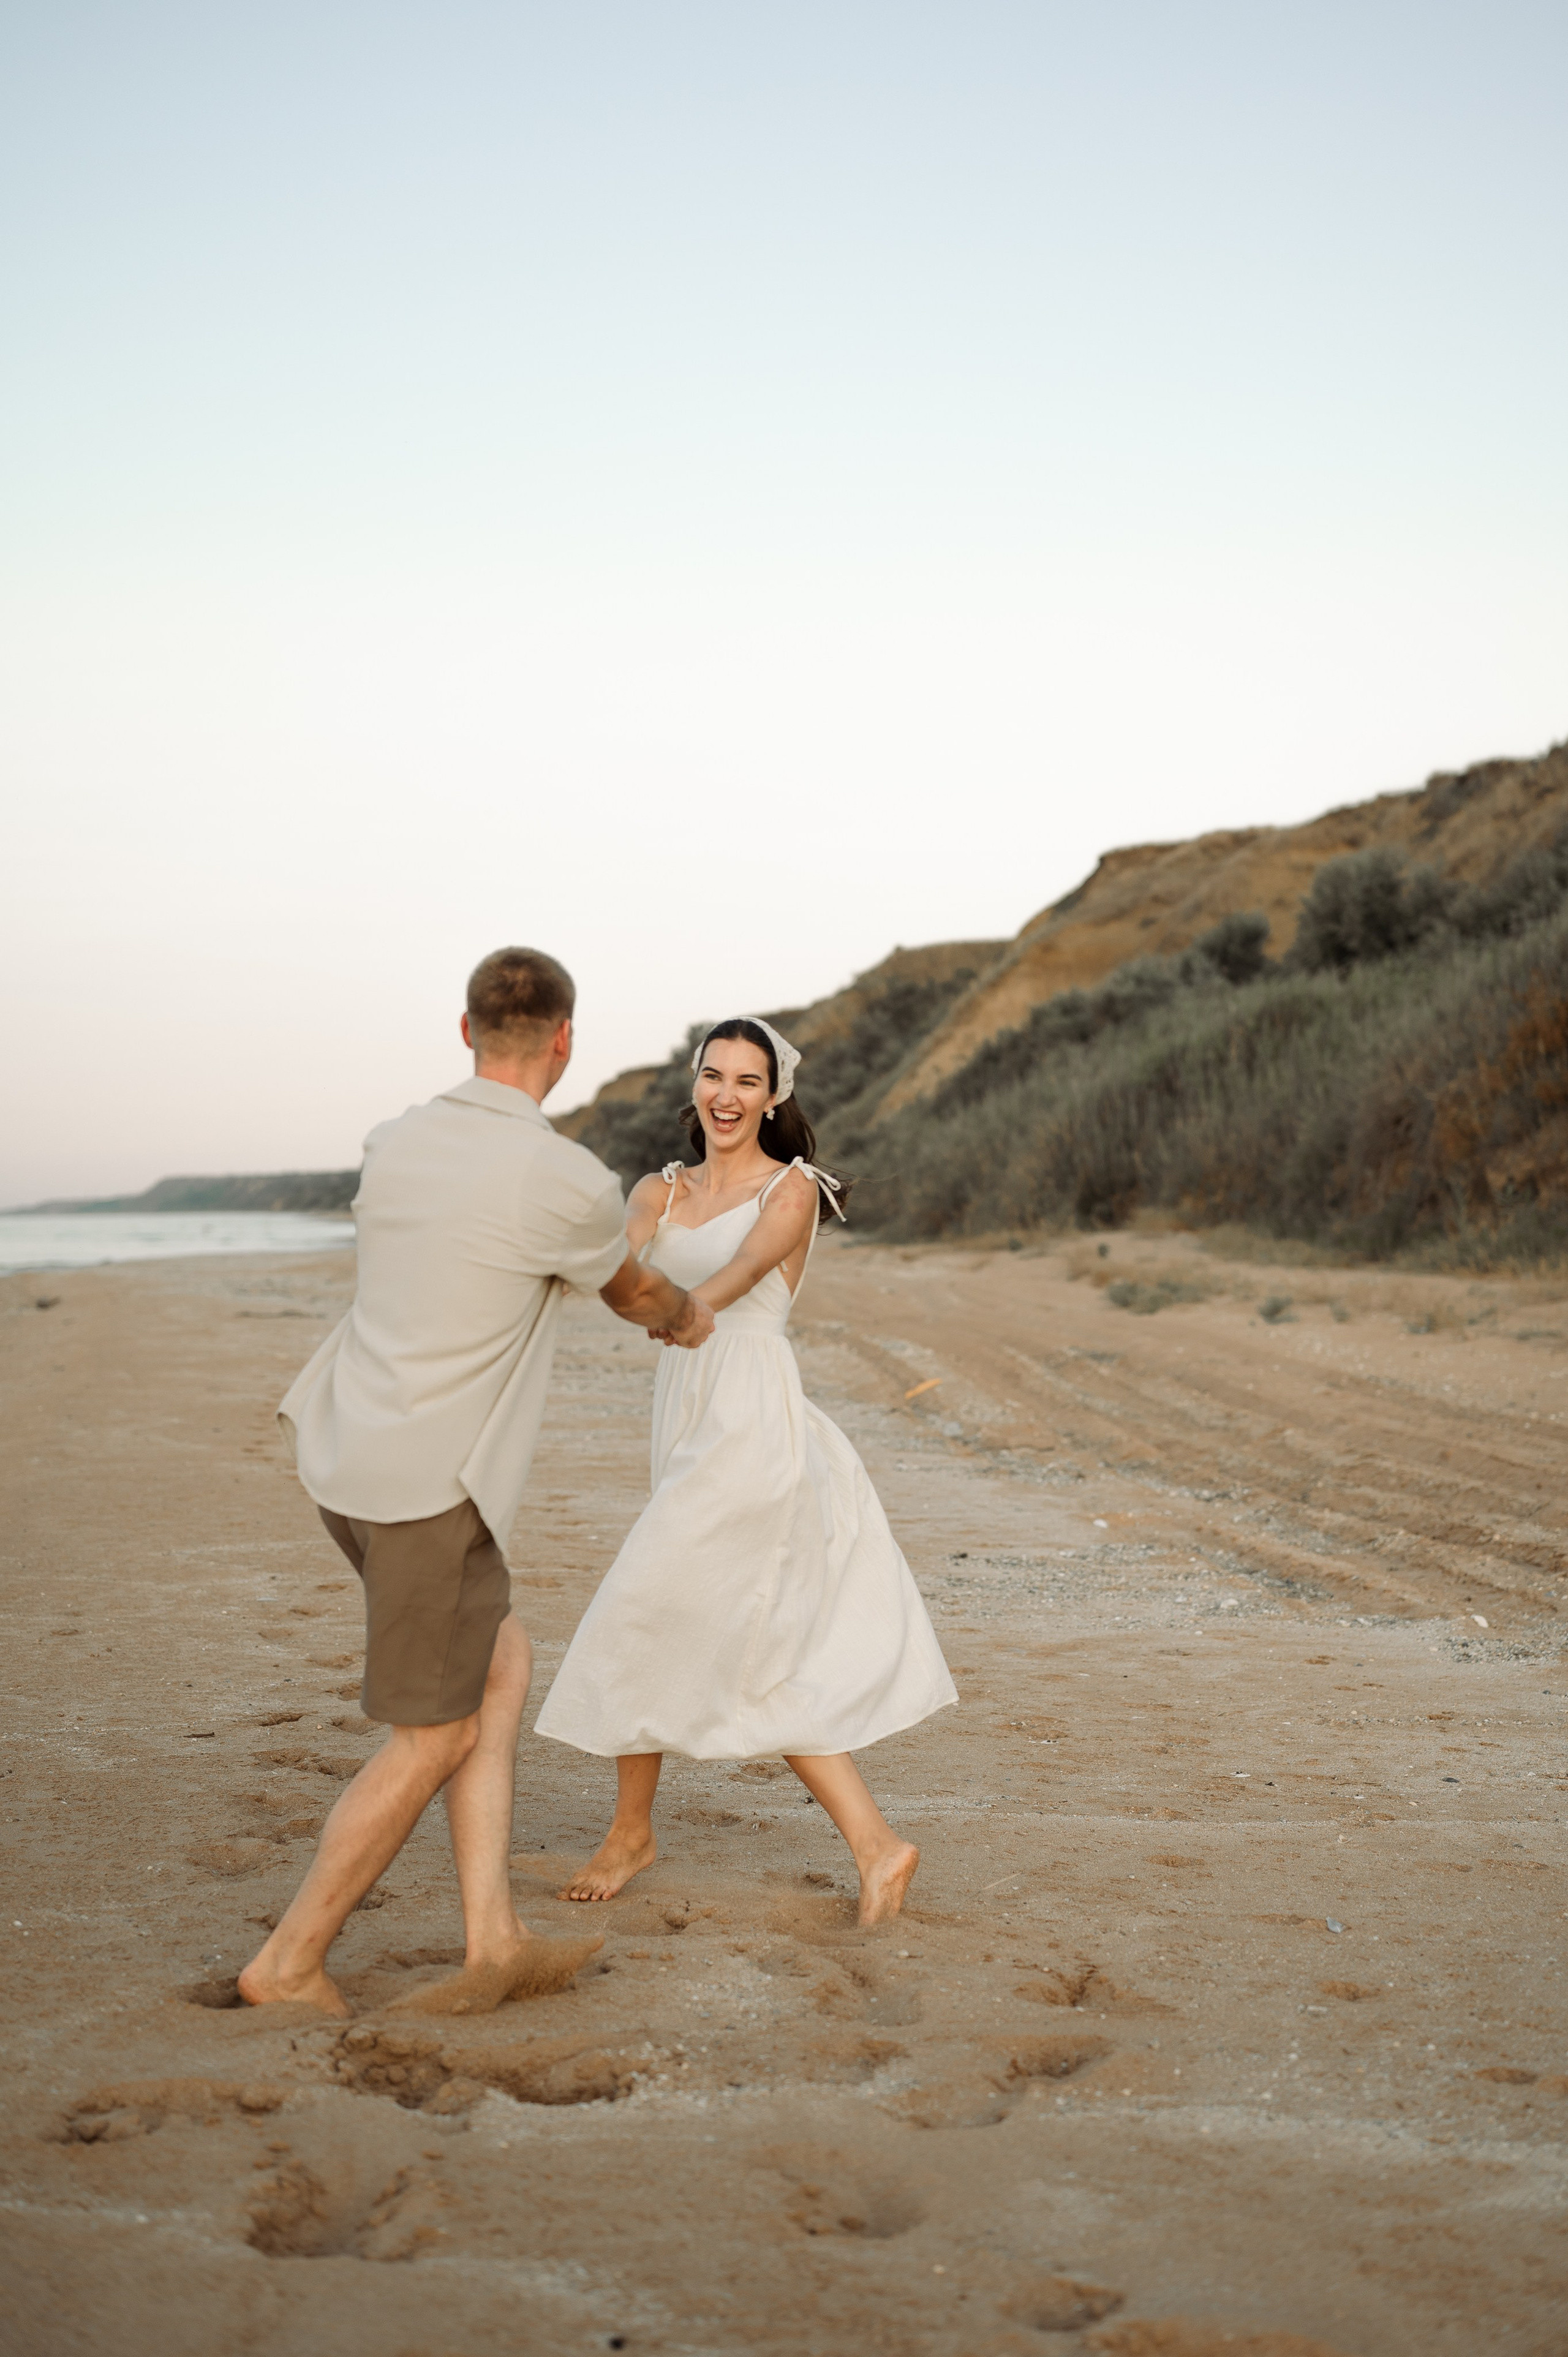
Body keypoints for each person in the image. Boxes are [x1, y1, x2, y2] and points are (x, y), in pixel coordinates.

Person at [237, 948, 714, 2018]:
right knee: (435, 1736)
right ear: (566, 1042)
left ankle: (494, 1936)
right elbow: (634, 1291)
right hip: (430, 1490)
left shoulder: (392, 1143)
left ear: (464, 1032)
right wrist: (687, 1316)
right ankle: (290, 1962)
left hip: (345, 1455)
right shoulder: (564, 1181)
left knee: (500, 1664)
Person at [535, 1016, 957, 1927]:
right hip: (685, 1411)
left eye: (748, 1081)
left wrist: (680, 1310)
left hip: (751, 1417)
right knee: (736, 1639)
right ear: (695, 1085)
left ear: (774, 1097)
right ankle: (877, 1848)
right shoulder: (660, 1185)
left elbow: (733, 1282)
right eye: (713, 1075)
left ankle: (632, 1835)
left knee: (644, 1600)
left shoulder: (794, 1190)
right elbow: (620, 1258)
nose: (727, 1095)